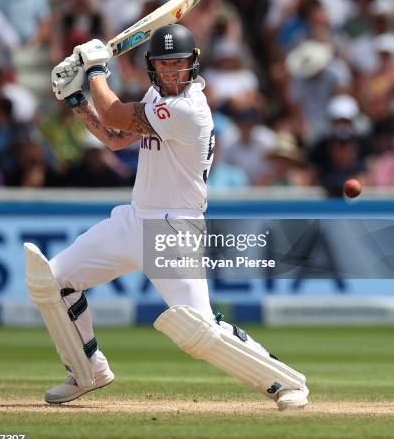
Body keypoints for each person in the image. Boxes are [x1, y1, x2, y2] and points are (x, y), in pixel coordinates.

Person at [25, 24, 308, 409]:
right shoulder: (157, 96)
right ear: (152, 68)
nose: (172, 73)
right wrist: (77, 101)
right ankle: (87, 370)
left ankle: (287, 382)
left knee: (199, 332)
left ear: (193, 66)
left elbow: (113, 111)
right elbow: (114, 136)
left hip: (172, 229)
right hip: (133, 219)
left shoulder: (188, 109)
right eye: (164, 65)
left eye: (179, 64)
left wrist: (94, 72)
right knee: (53, 281)